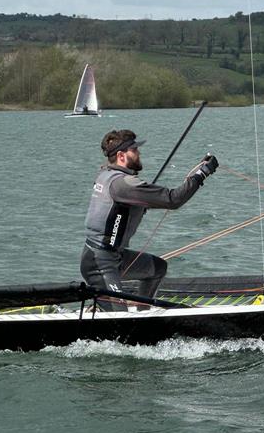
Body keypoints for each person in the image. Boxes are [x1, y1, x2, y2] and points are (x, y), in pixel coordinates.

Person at [81, 129, 218, 310]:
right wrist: (202, 173)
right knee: (120, 322)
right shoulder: (124, 184)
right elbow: (173, 199)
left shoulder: (107, 175)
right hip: (99, 262)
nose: (139, 153)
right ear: (121, 155)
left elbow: (115, 209)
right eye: (134, 150)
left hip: (115, 256)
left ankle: (142, 312)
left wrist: (142, 205)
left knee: (157, 269)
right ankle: (115, 316)